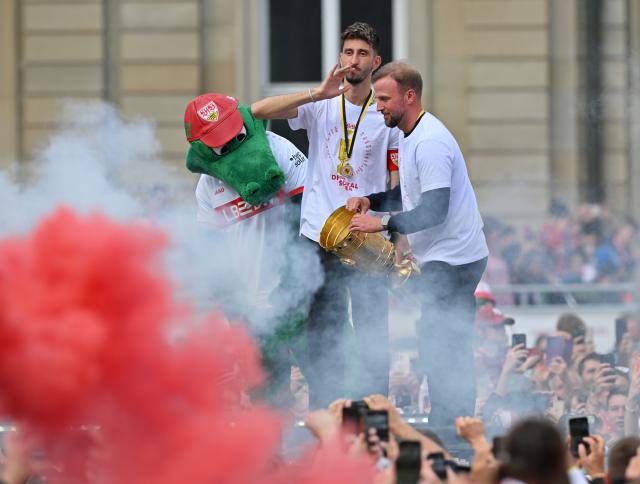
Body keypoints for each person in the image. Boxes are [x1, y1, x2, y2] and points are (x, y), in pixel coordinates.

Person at [252, 22, 400, 407]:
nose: (354, 60)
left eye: (362, 54)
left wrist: (401, 239)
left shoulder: (384, 113)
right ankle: (326, 409)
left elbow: (398, 183)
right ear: (340, 58)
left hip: (366, 235)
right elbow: (256, 111)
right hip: (320, 234)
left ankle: (375, 414)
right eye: (348, 52)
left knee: (371, 332)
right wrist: (316, 92)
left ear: (376, 61)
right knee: (322, 329)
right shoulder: (321, 103)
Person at [345, 61, 489, 425]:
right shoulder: (409, 134)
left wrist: (379, 224)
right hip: (443, 256)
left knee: (445, 345)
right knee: (435, 339)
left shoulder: (430, 142)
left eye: (384, 99)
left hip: (455, 259)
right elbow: (408, 195)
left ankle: (453, 427)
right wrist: (372, 200)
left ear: (409, 96)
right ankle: (449, 421)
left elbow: (434, 210)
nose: (378, 107)